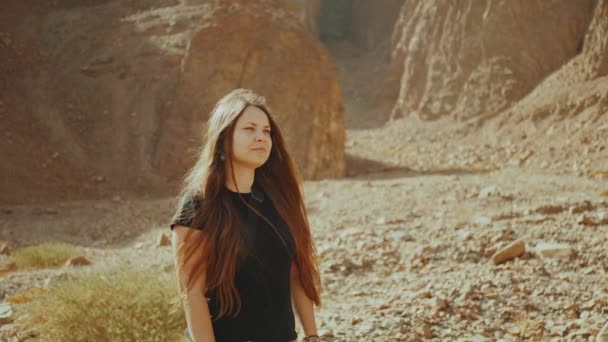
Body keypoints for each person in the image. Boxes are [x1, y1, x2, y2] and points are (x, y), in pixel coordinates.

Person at [169, 89, 322, 342]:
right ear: (223, 138)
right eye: (249, 129)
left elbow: (295, 272)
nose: (261, 137)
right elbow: (192, 292)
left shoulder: (279, 200)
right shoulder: (198, 205)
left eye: (266, 131)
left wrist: (313, 335)